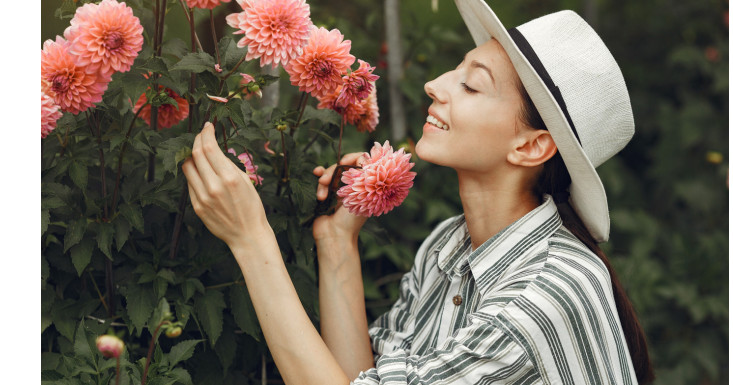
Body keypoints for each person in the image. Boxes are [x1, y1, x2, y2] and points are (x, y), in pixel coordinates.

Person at [181, 0, 654, 383]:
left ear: (531, 146)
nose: (434, 85)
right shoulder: (449, 245)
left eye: (470, 86)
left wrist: (251, 240)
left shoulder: (544, 296)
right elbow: (362, 378)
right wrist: (337, 241)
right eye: (456, 70)